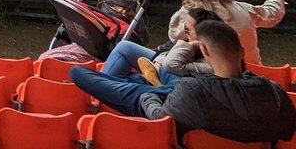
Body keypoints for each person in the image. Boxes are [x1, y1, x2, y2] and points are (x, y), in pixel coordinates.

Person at [73, 19, 296, 143]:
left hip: (167, 102)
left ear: (205, 50)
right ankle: (152, 83)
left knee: (78, 73)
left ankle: (148, 85)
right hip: (188, 97)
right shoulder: (274, 91)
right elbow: (287, 133)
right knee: (169, 82)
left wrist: (148, 95)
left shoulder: (193, 89)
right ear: (241, 51)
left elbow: (160, 118)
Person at [173, 0, 284, 65]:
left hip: (207, 73)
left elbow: (174, 36)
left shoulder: (186, 14)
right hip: (252, 70)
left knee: (167, 52)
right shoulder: (244, 9)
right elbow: (271, 15)